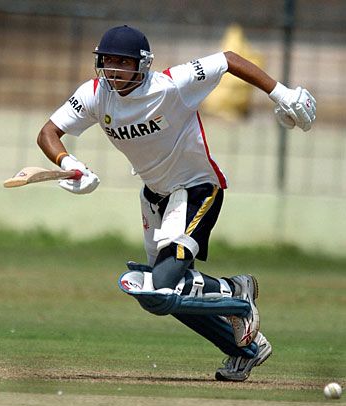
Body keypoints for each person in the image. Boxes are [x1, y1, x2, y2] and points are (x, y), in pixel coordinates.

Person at [37, 25, 316, 381]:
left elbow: (228, 60)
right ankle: (245, 349)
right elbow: (48, 132)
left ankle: (235, 289)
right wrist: (70, 165)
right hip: (154, 198)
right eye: (106, 61)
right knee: (159, 295)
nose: (112, 69)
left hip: (197, 189)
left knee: (164, 281)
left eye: (122, 62)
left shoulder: (171, 85)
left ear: (142, 64)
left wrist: (281, 93)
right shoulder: (95, 94)